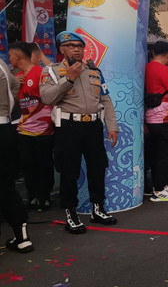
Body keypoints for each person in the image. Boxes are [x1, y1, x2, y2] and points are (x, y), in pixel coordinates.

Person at [40, 31, 119, 233]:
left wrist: (112, 126)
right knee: (69, 171)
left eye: (80, 45)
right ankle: (71, 212)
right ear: (61, 49)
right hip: (68, 127)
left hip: (93, 126)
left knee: (98, 167)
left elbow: (105, 101)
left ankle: (98, 208)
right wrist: (69, 79)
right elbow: (47, 98)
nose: (76, 48)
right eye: (71, 45)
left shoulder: (94, 71)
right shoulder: (51, 71)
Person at [8, 42, 55, 211]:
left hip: (43, 129)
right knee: (28, 165)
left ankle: (45, 196)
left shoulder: (41, 73)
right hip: (23, 129)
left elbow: (51, 97)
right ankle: (33, 195)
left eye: (11, 56)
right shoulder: (16, 76)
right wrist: (14, 83)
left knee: (44, 164)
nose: (9, 59)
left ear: (18, 56)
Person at [0, 56, 34, 252]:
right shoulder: (3, 64)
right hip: (5, 127)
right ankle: (22, 237)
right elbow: (14, 87)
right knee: (6, 184)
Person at [144, 41, 168, 202]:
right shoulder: (163, 70)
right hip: (164, 118)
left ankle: (161, 186)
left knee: (158, 154)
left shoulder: (146, 67)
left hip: (151, 117)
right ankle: (159, 189)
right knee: (164, 155)